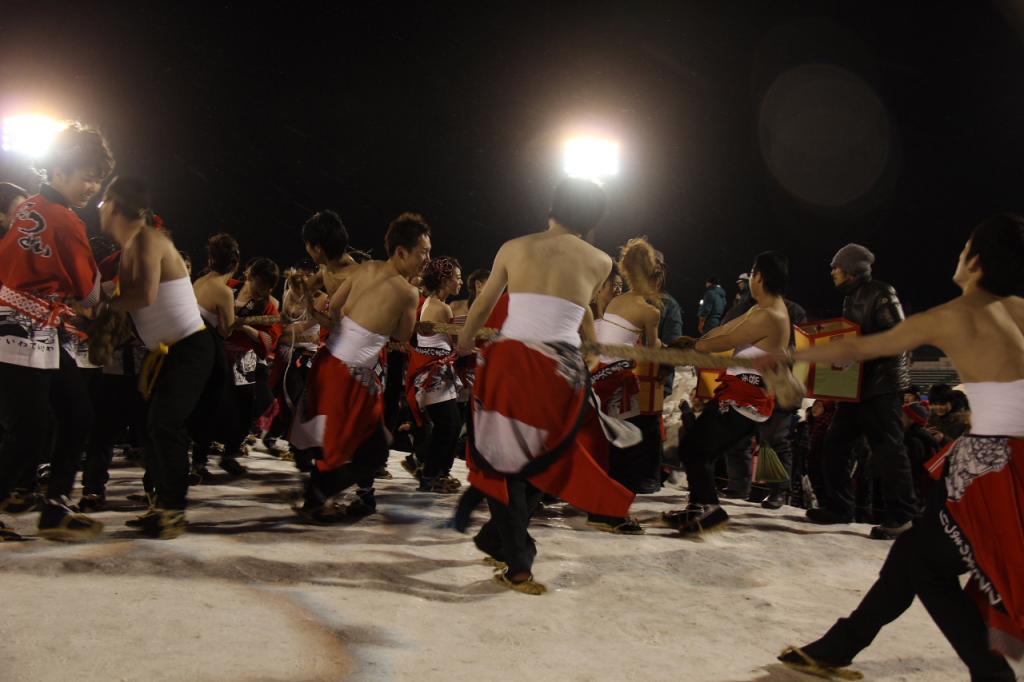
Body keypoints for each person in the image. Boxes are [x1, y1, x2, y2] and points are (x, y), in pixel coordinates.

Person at [766, 214, 1024, 681]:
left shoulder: (960, 312)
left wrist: (790, 354)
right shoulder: (1019, 310)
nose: (959, 255)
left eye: (966, 246)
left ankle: (992, 675)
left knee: (925, 564)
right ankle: (839, 646)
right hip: (1009, 461)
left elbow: (862, 349)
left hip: (996, 466)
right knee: (913, 554)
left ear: (978, 259)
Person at [456, 178, 639, 594]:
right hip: (564, 367)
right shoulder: (600, 262)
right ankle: (500, 538)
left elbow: (483, 307)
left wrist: (466, 343)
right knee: (546, 459)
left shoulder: (513, 247)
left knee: (502, 461)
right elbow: (580, 314)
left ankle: (518, 559)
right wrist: (588, 349)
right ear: (592, 220)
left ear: (551, 207)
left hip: (514, 363)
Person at [0, 124, 113, 541]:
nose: (93, 185)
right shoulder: (66, 221)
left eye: (98, 177)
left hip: (33, 328)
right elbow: (87, 296)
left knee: (73, 413)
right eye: (88, 174)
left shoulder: (30, 205)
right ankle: (53, 503)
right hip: (19, 330)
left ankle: (56, 506)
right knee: (29, 431)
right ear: (61, 169)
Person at [289, 212, 427, 521]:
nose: (426, 259)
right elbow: (402, 337)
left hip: (328, 363)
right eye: (423, 252)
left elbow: (331, 313)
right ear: (402, 251)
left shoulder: (364, 270)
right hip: (350, 374)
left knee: (338, 441)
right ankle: (316, 497)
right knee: (372, 450)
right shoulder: (408, 293)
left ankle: (322, 495)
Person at [101, 177, 217, 538]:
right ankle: (160, 503)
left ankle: (173, 511)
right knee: (152, 427)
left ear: (113, 204)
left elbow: (145, 295)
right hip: (165, 353)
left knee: (164, 425)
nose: (99, 211)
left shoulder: (148, 239)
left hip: (189, 347)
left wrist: (101, 308)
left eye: (102, 204)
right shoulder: (132, 246)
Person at [662, 251, 791, 535]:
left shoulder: (770, 315)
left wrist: (695, 345)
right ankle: (700, 507)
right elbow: (726, 330)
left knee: (695, 447)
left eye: (752, 274)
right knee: (696, 447)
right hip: (740, 393)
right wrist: (700, 342)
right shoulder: (762, 309)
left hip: (746, 396)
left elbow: (726, 340)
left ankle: (707, 508)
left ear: (759, 276)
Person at [807, 243, 918, 540]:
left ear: (852, 270)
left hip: (882, 385)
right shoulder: (850, 298)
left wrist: (854, 353)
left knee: (888, 451)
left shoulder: (882, 292)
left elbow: (896, 337)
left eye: (836, 267)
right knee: (835, 445)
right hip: (856, 385)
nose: (832, 272)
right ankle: (840, 507)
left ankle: (902, 517)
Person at [591, 237, 663, 503]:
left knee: (607, 437)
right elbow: (651, 349)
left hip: (598, 375)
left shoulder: (615, 302)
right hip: (618, 380)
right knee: (629, 442)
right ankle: (616, 498)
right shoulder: (649, 312)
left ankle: (602, 491)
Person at [406, 256, 465, 493]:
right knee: (447, 426)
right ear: (445, 279)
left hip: (437, 372)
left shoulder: (434, 303)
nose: (460, 283)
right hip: (433, 373)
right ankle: (429, 474)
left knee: (449, 425)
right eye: (457, 278)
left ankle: (434, 472)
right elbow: (454, 340)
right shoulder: (440, 307)